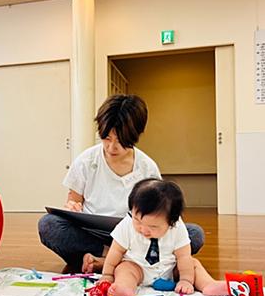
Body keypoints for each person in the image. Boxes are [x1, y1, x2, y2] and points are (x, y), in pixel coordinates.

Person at [38, 94, 205, 273]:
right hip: (93, 237)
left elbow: (160, 212)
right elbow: (74, 201)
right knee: (49, 225)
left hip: (135, 237)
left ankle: (106, 262)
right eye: (106, 138)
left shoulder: (147, 168)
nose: (111, 148)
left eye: (120, 141)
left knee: (193, 234)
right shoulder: (86, 161)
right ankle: (115, 259)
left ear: (135, 135)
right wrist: (72, 207)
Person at [99, 178, 227, 296]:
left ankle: (208, 284)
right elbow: (116, 251)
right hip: (137, 267)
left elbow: (183, 256)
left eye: (153, 226)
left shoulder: (177, 227)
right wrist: (107, 275)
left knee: (193, 264)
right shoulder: (127, 224)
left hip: (170, 269)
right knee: (123, 269)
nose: (143, 229)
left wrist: (186, 280)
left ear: (171, 221)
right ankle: (125, 289)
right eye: (137, 220)